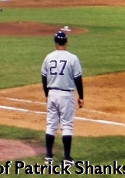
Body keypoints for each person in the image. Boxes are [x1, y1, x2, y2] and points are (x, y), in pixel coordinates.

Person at [41, 31, 84, 165]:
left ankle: (48, 156)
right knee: (67, 125)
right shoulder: (73, 58)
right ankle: (66, 159)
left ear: (55, 42)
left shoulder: (49, 57)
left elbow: (43, 77)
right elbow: (78, 79)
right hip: (66, 95)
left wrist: (46, 94)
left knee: (51, 125)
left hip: (52, 93)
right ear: (66, 42)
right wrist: (81, 96)